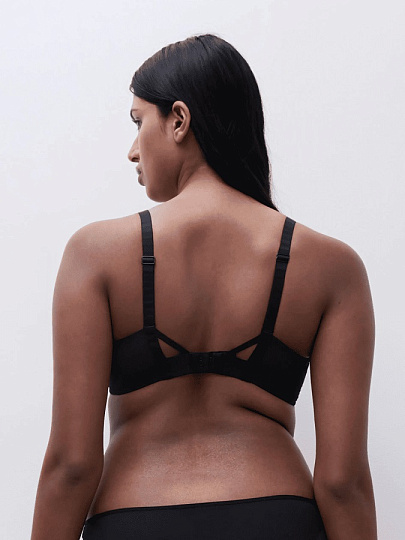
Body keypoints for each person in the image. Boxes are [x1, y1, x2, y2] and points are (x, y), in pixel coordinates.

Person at [30, 34, 377, 540]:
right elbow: (344, 483)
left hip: (136, 521)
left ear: (178, 120)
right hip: (277, 519)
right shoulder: (332, 266)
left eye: (137, 122)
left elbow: (71, 465)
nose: (132, 151)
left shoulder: (95, 254)